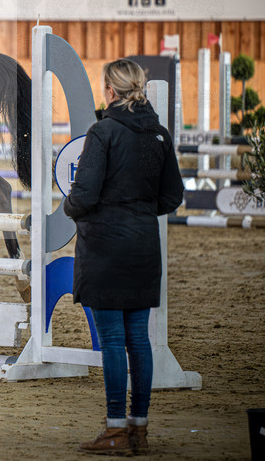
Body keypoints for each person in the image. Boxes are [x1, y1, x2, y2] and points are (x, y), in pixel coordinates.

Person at [64, 59, 184, 456]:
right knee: (138, 340)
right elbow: (172, 197)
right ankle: (139, 429)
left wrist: (73, 208)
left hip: (106, 248)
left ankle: (114, 429)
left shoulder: (103, 131)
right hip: (144, 246)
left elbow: (82, 196)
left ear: (110, 92)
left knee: (113, 341)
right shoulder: (160, 135)